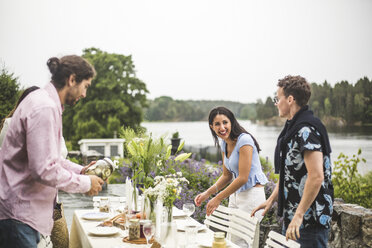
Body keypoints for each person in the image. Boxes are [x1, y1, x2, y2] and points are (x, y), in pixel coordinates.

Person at [0, 55, 104, 248]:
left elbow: (52, 158)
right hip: (19, 217)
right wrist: (86, 183)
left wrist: (81, 171)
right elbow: (44, 170)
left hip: (23, 217)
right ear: (72, 80)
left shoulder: (45, 103)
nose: (84, 94)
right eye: (86, 86)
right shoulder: (44, 107)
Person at [251, 75, 333, 248]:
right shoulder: (293, 128)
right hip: (293, 218)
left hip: (309, 221)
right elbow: (290, 173)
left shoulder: (306, 130)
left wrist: (299, 215)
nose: (276, 103)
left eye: (277, 98)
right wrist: (271, 199)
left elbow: (316, 176)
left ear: (290, 99)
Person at [194, 106, 268, 247]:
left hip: (252, 196)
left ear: (232, 122)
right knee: (231, 241)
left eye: (225, 122)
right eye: (217, 124)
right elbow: (227, 176)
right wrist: (207, 193)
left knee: (242, 243)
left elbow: (243, 178)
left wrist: (217, 198)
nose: (222, 127)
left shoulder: (244, 140)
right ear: (212, 127)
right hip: (236, 195)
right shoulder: (224, 144)